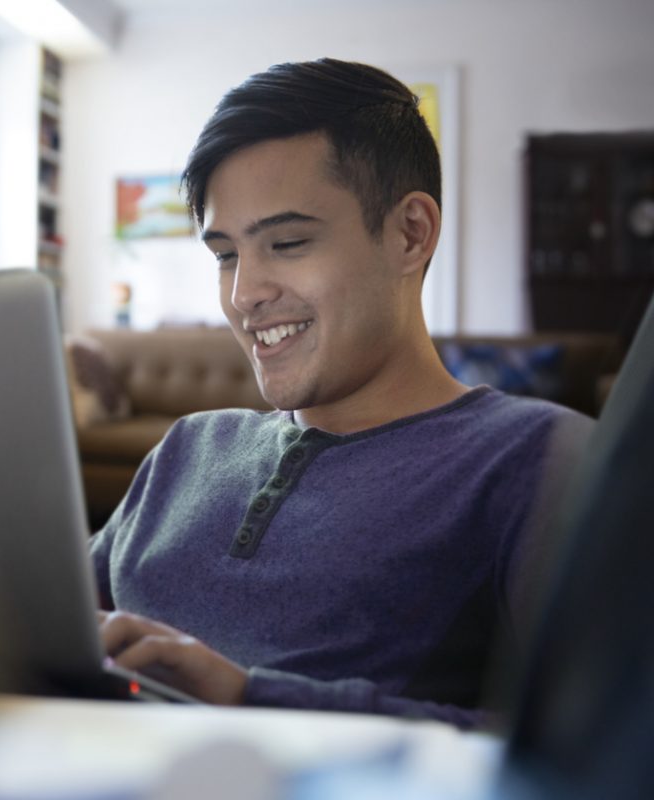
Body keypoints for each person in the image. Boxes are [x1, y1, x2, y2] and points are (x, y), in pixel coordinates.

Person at [90, 58, 593, 728]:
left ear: (410, 234)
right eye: (226, 256)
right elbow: (47, 631)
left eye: (288, 242)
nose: (244, 296)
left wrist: (251, 700)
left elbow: (593, 751)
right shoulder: (187, 446)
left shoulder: (538, 460)